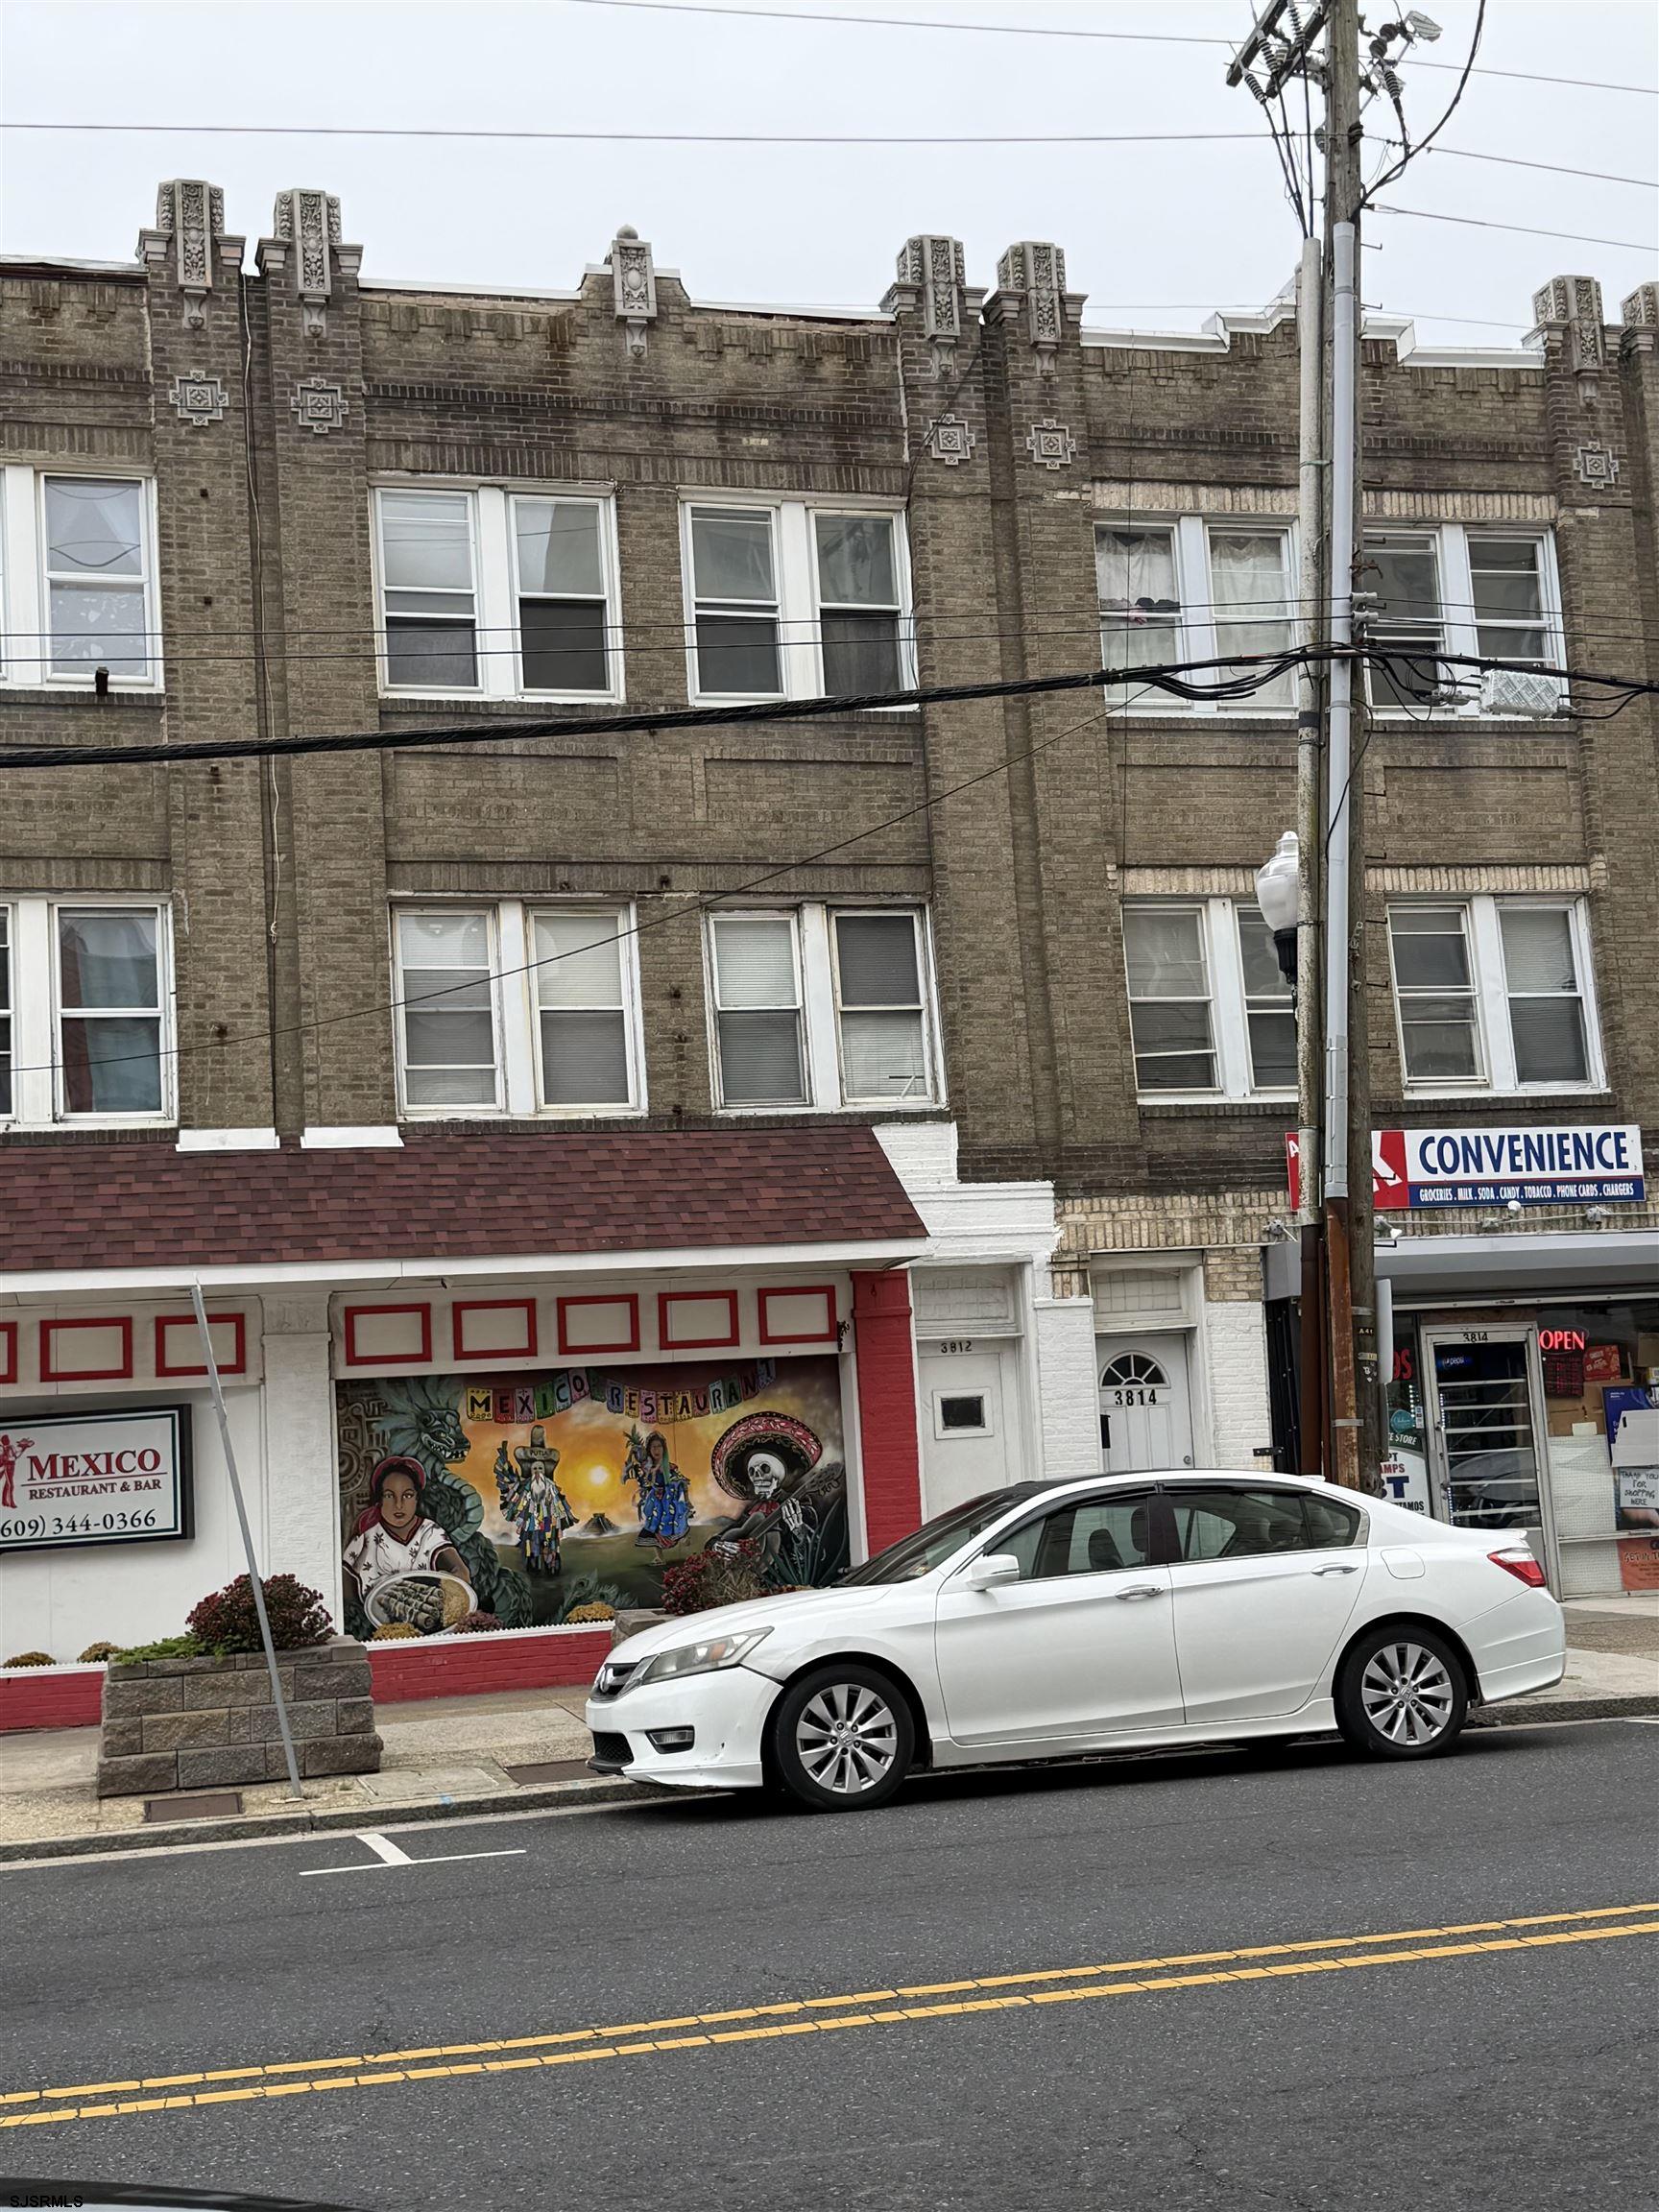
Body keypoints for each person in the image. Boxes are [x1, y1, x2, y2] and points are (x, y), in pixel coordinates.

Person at [343, 1455, 471, 1616]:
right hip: (377, 1619)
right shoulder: (368, 1535)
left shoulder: (429, 1531)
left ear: (417, 1499)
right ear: (379, 1500)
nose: (399, 1505)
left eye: (408, 1495)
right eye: (389, 1496)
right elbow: (343, 1579)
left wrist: (440, 1590)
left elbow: (461, 1572)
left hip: (426, 1614)